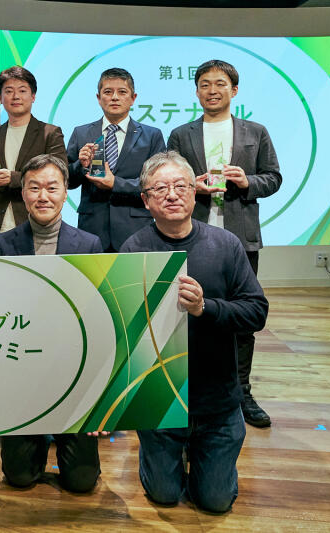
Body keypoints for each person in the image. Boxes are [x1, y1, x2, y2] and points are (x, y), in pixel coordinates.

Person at [120, 151, 268, 513]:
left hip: (216, 399)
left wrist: (206, 308)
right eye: (160, 188)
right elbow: (122, 332)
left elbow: (256, 312)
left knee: (215, 501)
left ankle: (207, 455)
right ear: (146, 200)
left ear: (194, 191)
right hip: (160, 399)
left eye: (180, 186)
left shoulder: (226, 245)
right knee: (165, 495)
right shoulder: (133, 250)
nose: (172, 194)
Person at [167, 59, 281, 428]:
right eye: (204, 84)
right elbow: (169, 177)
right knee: (186, 312)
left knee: (241, 317)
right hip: (191, 235)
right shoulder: (181, 134)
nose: (212, 90)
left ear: (234, 90)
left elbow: (274, 178)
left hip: (240, 239)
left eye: (219, 83)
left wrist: (247, 182)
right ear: (196, 91)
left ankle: (241, 390)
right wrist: (191, 186)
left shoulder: (256, 132)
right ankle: (184, 386)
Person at [0, 154, 103, 493]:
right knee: (20, 478)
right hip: (22, 369)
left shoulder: (89, 245)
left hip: (73, 369)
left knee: (82, 483)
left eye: (52, 188)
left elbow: (99, 321)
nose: (43, 196)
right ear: (22, 193)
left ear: (66, 192)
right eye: (34, 188)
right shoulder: (2, 245)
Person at [0, 66, 67, 254]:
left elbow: (61, 176)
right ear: (0, 97)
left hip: (34, 227)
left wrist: (13, 178)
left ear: (33, 96)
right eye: (8, 91)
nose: (15, 97)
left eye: (22, 91)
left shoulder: (49, 133)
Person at [66, 67, 166, 251]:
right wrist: (81, 165)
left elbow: (157, 185)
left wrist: (115, 184)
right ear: (98, 98)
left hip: (135, 228)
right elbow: (67, 181)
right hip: (92, 228)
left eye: (122, 92)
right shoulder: (81, 133)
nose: (114, 97)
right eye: (108, 92)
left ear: (133, 98)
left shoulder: (152, 136)